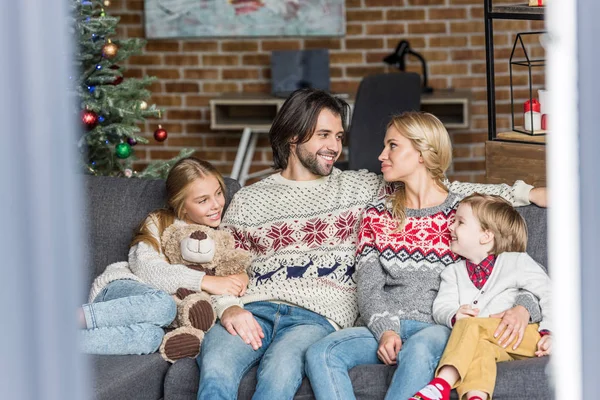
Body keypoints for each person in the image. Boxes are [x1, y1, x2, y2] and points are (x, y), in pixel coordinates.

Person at [196, 89, 545, 400]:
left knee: (279, 374)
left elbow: (448, 191)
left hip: (316, 317)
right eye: (323, 135)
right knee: (216, 372)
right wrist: (229, 307)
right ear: (292, 135)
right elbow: (223, 263)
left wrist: (525, 192)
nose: (335, 146)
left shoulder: (360, 187)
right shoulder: (248, 200)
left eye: (338, 136)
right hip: (254, 307)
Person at [304, 111, 546, 400]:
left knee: (419, 350)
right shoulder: (376, 214)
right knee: (321, 352)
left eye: (392, 146)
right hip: (387, 325)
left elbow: (514, 272)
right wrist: (385, 330)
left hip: (442, 327)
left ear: (421, 152)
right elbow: (368, 285)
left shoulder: (463, 214)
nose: (381, 155)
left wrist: (523, 307)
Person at [79, 157, 248, 356]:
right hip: (121, 290)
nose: (216, 205)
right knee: (164, 306)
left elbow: (235, 265)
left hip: (157, 319)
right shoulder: (160, 222)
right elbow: (146, 269)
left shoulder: (222, 233)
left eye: (218, 193)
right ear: (182, 206)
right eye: (203, 200)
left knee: (151, 338)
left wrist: (242, 276)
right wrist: (204, 281)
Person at [410, 194, 551, 400]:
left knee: (470, 326)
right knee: (479, 348)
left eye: (460, 222)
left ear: (486, 236)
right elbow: (441, 306)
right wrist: (454, 314)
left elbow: (551, 294)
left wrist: (552, 333)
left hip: (526, 338)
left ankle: (440, 384)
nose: (450, 227)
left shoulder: (516, 262)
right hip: (493, 344)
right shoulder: (452, 273)